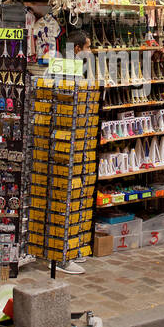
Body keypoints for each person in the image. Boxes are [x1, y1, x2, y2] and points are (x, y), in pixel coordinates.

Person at [55, 30, 93, 276]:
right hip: (64, 136)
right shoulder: (67, 67)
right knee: (64, 196)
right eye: (89, 46)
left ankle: (69, 249)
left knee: (72, 195)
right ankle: (61, 256)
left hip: (72, 135)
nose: (91, 50)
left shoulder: (70, 65)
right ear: (78, 48)